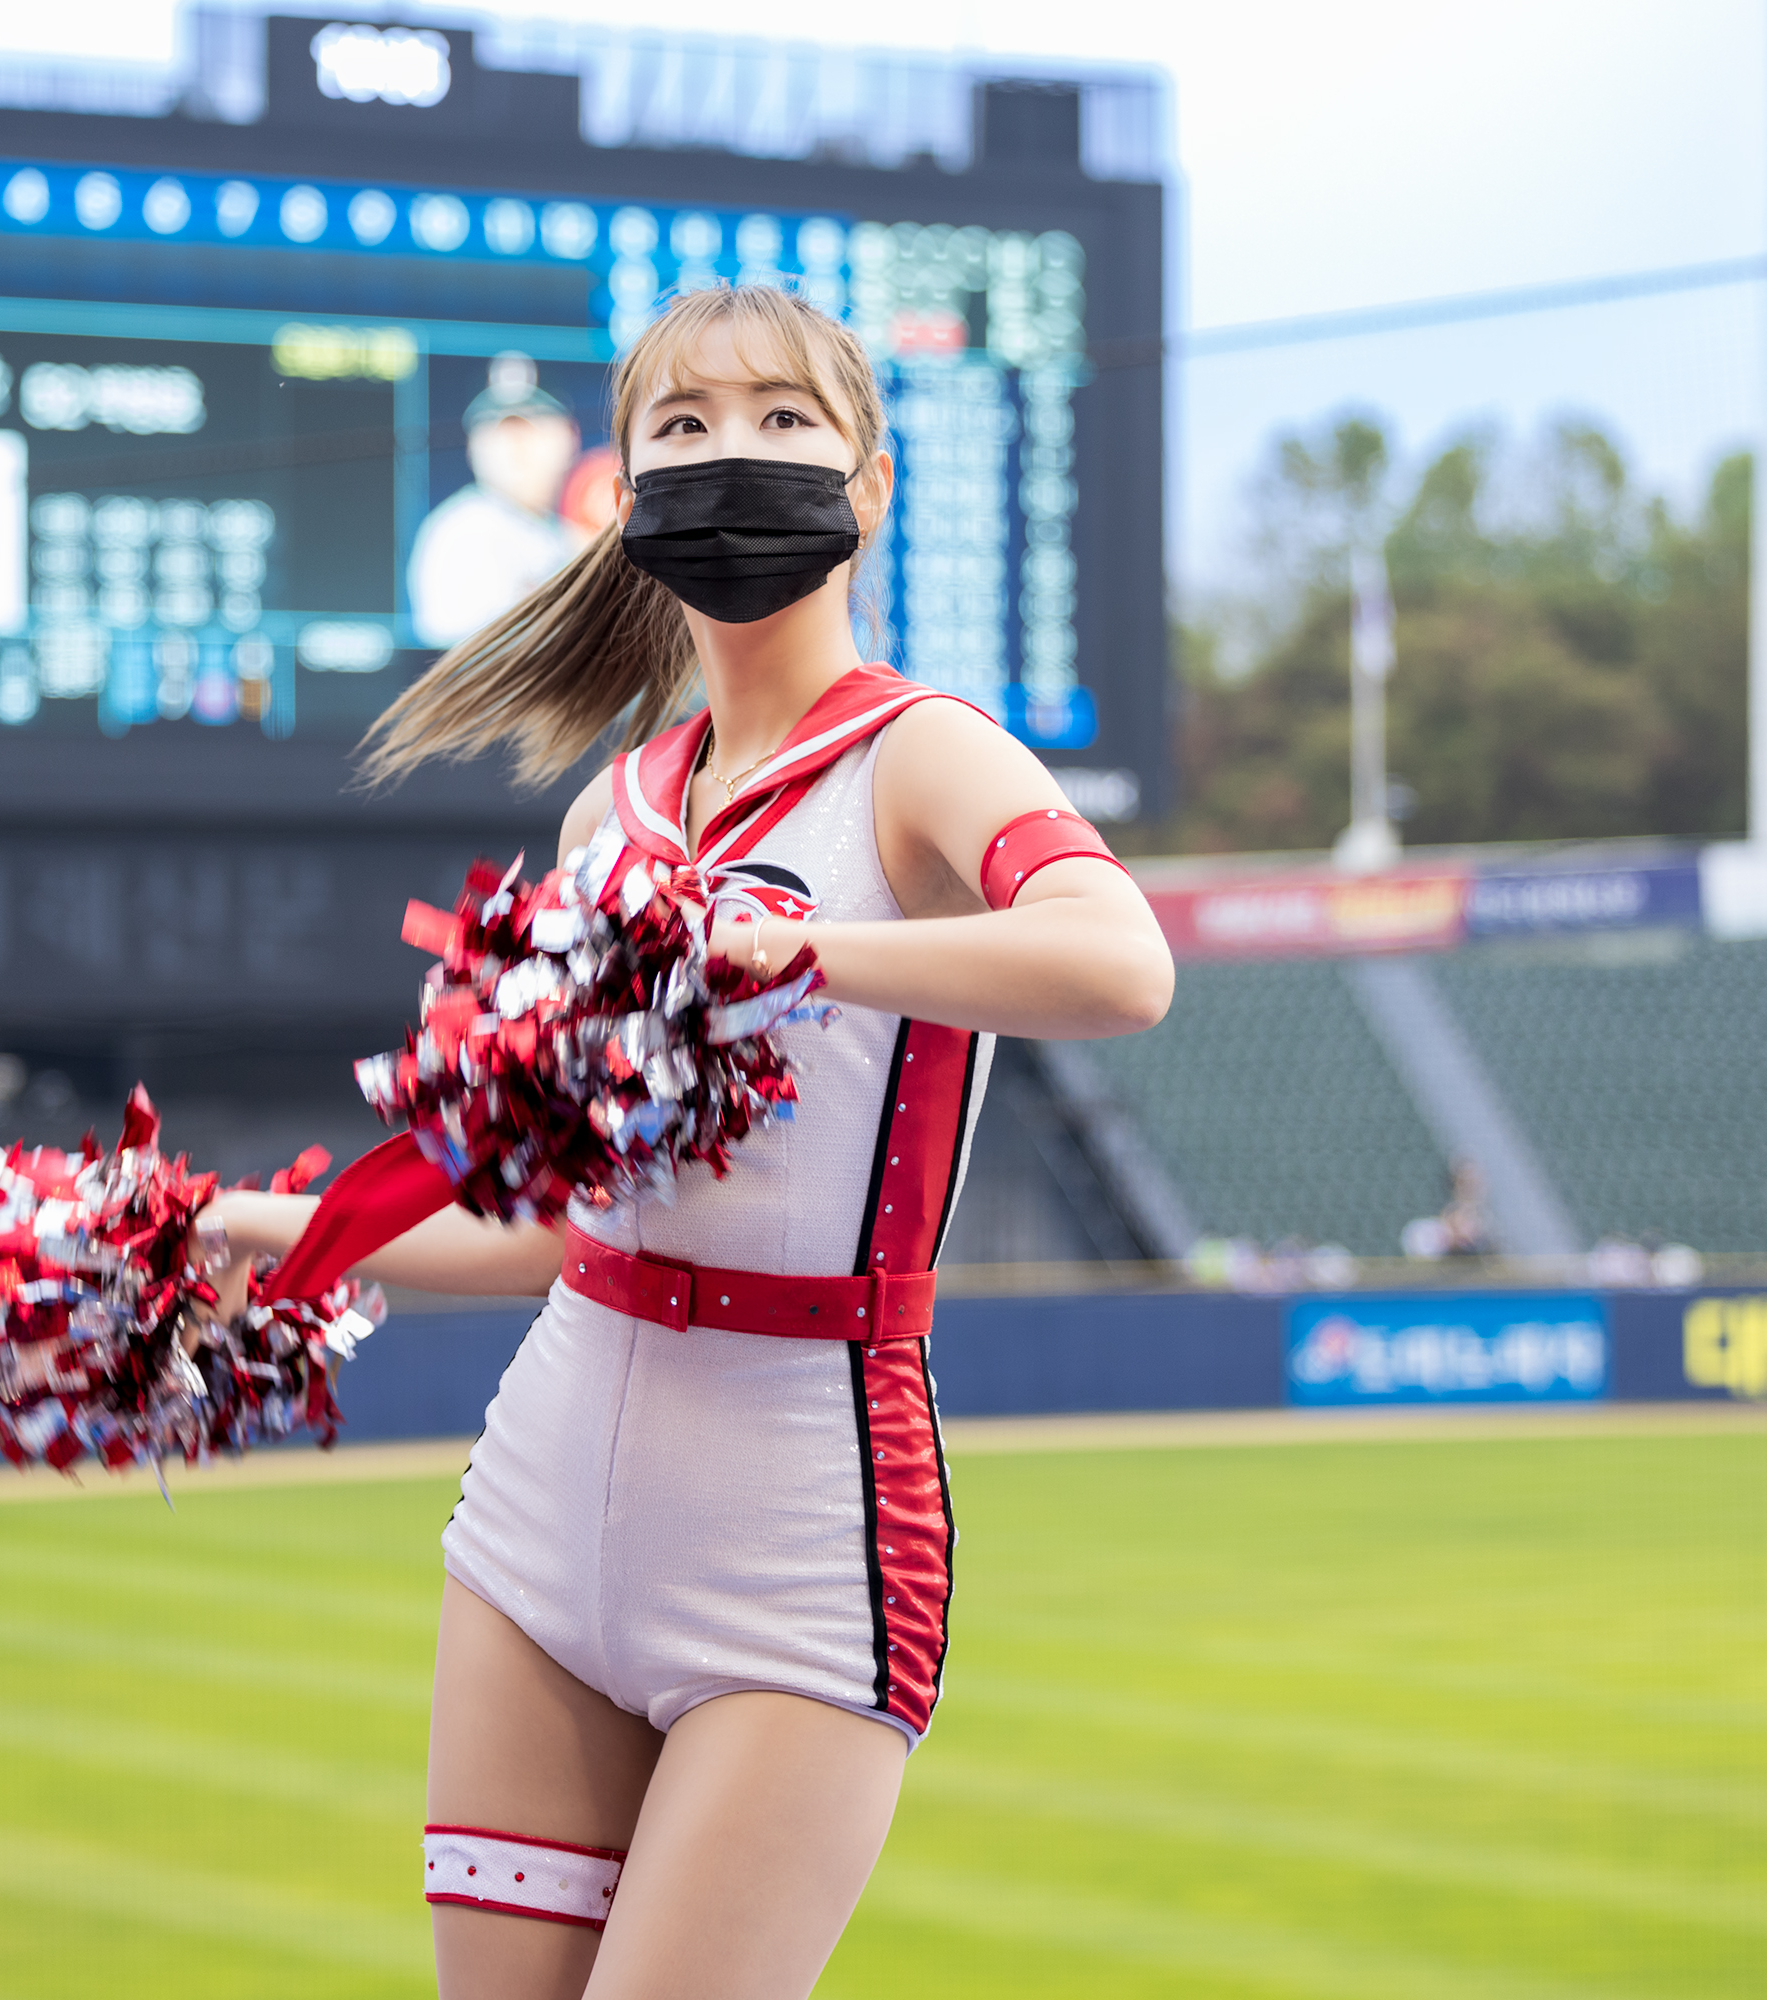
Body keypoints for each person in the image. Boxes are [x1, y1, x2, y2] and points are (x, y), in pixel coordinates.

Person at [205, 284, 1172, 2000]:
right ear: (626, 487)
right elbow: (553, 1227)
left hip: (797, 1530)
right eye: (685, 424)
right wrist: (267, 1229)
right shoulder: (615, 811)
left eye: (785, 419)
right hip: (537, 1507)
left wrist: (810, 951)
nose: (735, 453)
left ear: (869, 481)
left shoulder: (922, 756)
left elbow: (1122, 964)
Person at [406, 353, 594, 647]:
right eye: (495, 425)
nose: (513, 443)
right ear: (471, 446)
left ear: (570, 435)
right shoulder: (463, 532)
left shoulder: (570, 538)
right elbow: (473, 662)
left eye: (530, 421)